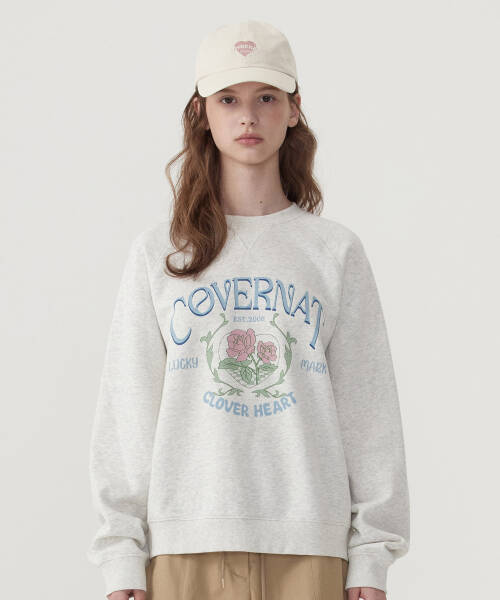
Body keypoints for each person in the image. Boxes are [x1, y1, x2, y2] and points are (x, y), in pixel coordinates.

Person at [87, 20, 410, 600]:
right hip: (184, 546)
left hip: (309, 545)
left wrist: (372, 554)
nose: (248, 117)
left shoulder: (334, 251)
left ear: (293, 109)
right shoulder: (162, 253)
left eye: (266, 97)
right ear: (201, 113)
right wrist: (121, 556)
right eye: (228, 99)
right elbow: (127, 408)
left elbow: (369, 410)